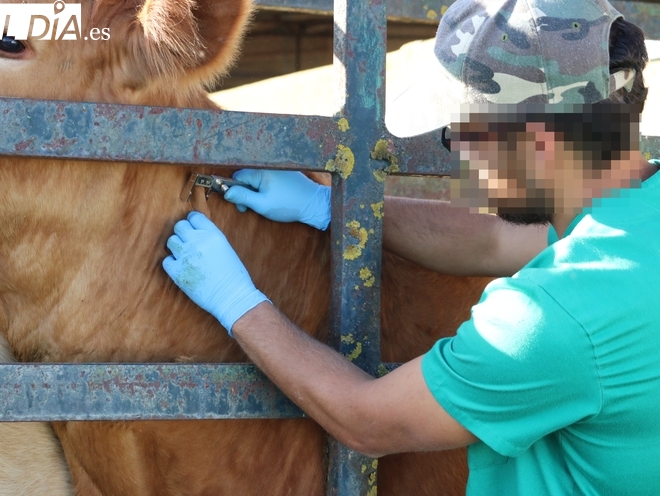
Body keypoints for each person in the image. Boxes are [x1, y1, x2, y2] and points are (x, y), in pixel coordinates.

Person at [163, 0, 660, 493]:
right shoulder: (628, 230)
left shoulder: (554, 317)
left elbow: (367, 421)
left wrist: (236, 302)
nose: (457, 155)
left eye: (460, 134)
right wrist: (332, 207)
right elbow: (496, 241)